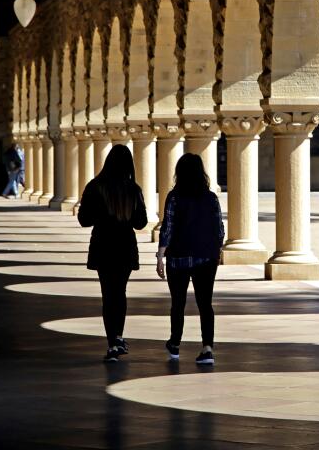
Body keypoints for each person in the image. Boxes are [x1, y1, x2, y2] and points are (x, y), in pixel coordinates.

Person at [77, 144, 148, 362]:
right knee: (120, 292)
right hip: (125, 247)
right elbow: (141, 223)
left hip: (103, 245)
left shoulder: (95, 186)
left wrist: (101, 214)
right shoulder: (133, 189)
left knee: (108, 294)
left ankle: (112, 343)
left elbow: (84, 220)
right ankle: (118, 336)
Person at [156, 153, 225, 365]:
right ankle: (207, 348)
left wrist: (160, 256)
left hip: (178, 257)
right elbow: (220, 229)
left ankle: (175, 344)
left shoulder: (174, 197)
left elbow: (167, 227)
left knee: (178, 302)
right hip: (205, 257)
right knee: (206, 303)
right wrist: (214, 250)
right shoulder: (211, 198)